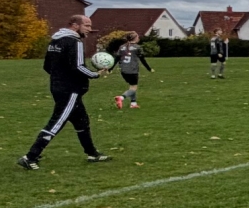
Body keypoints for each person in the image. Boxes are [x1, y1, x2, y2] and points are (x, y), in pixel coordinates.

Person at [19, 14, 113, 169]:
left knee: (82, 121)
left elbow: (47, 66)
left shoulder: (55, 41)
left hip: (58, 87)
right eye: (87, 25)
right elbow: (78, 66)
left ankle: (92, 153)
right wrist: (95, 74)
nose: (89, 29)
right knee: (57, 122)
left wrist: (59, 77)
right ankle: (30, 157)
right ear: (75, 25)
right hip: (71, 90)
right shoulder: (75, 42)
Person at [112, 34, 152, 108]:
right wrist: (149, 68)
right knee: (133, 88)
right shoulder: (137, 47)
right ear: (135, 38)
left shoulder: (122, 47)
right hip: (132, 70)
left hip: (123, 70)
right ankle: (121, 98)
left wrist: (110, 68)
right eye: (138, 37)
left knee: (132, 86)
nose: (139, 38)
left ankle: (133, 104)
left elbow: (117, 58)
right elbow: (142, 59)